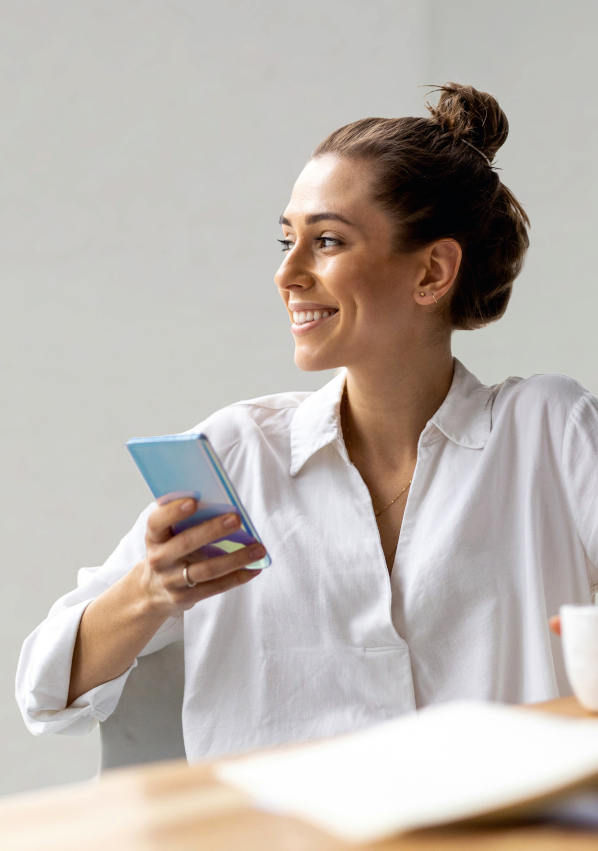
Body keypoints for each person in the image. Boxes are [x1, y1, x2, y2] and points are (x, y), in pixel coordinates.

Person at [16, 83, 598, 762]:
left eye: (325, 241)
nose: (286, 273)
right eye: (286, 240)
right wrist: (151, 589)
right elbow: (43, 687)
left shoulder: (548, 431)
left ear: (433, 271)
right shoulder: (239, 453)